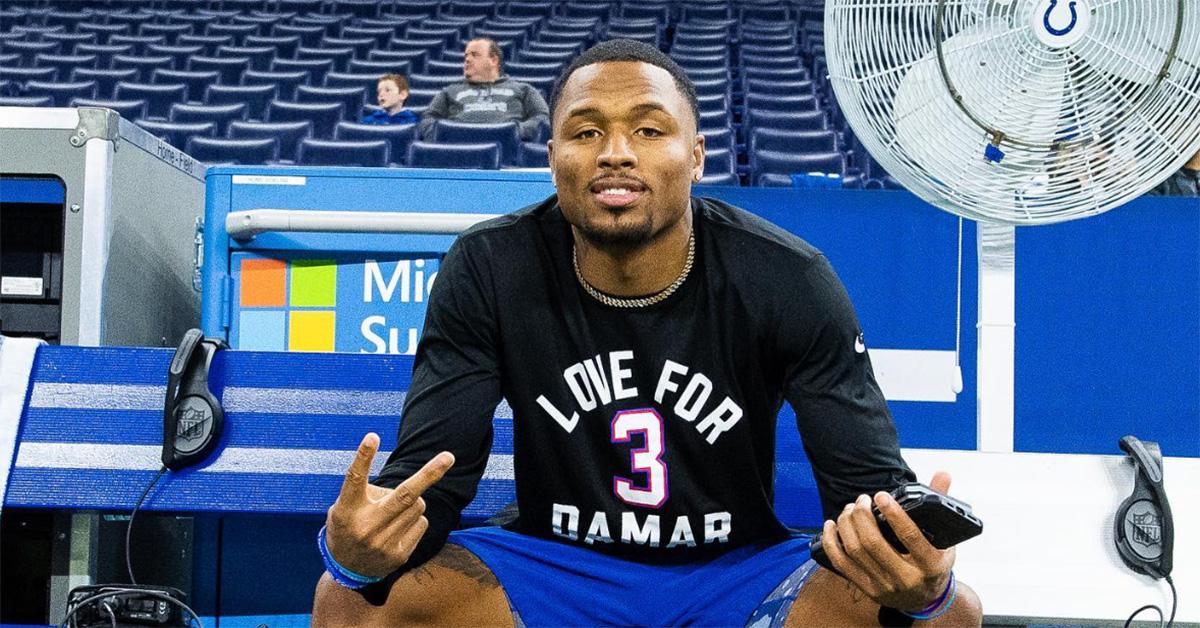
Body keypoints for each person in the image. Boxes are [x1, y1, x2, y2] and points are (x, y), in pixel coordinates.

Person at [312, 40, 983, 627]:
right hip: (551, 564)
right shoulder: (491, 264)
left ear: (695, 157)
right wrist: (363, 548)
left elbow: (864, 487)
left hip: (740, 570)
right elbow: (435, 475)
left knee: (946, 612)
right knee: (349, 598)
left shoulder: (788, 276)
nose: (615, 154)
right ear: (552, 158)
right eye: (585, 133)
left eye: (649, 130)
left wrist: (910, 560)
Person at [418, 38, 550, 141]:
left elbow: (542, 117)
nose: (467, 59)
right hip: (457, 148)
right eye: (466, 56)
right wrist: (445, 133)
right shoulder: (449, 91)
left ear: (493, 60)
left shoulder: (523, 89)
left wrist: (516, 131)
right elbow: (428, 120)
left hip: (507, 148)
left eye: (474, 55)